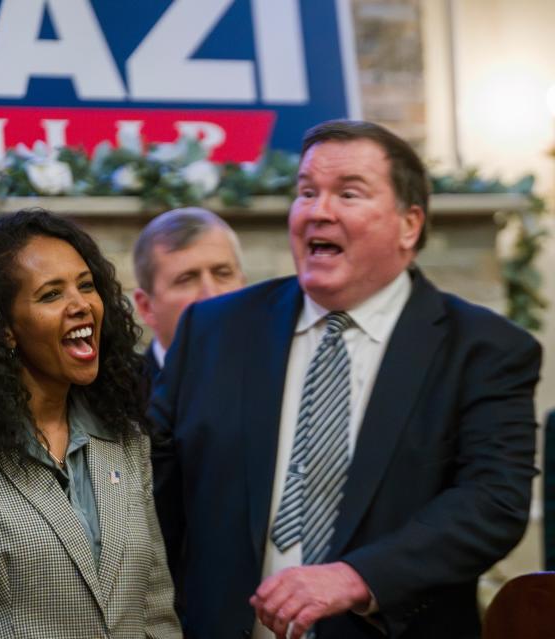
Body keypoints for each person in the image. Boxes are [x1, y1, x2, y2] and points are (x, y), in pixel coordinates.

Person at [151, 120, 541, 639]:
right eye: (307, 191)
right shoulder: (215, 330)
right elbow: (149, 489)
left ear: (409, 224)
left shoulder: (484, 349)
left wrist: (358, 576)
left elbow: (493, 500)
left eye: (348, 193)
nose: (318, 210)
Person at [0, 209, 181, 638]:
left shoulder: (126, 440)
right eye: (51, 295)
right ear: (4, 329)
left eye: (86, 286)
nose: (81, 305)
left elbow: (156, 615)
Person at [132, 206, 246, 375]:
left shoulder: (281, 377)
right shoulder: (121, 398)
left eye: (222, 274)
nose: (211, 295)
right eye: (186, 279)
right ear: (146, 307)